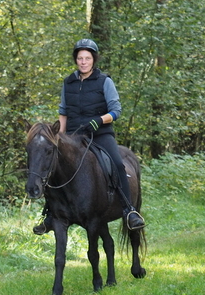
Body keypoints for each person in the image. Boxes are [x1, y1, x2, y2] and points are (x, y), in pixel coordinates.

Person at [34, 38, 145, 234]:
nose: (83, 62)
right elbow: (63, 112)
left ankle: (129, 210)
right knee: (53, 166)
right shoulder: (68, 82)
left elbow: (116, 110)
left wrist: (101, 120)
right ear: (76, 60)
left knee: (117, 164)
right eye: (80, 58)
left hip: (100, 134)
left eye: (87, 58)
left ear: (93, 60)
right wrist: (59, 137)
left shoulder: (105, 81)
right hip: (73, 136)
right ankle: (50, 214)